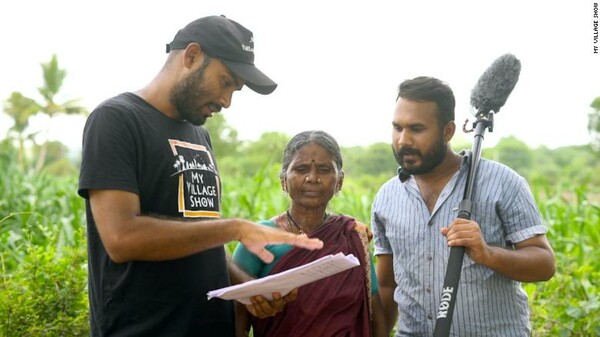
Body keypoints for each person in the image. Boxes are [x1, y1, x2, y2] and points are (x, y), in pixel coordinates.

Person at [77, 15, 323, 337]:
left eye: (235, 90)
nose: (227, 101)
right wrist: (233, 228)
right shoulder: (116, 120)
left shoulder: (199, 135)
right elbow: (121, 237)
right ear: (191, 56)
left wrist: (249, 288)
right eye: (225, 82)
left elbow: (201, 236)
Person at [372, 76, 556, 336]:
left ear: (448, 131)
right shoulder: (386, 198)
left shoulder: (502, 182)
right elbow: (388, 285)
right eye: (397, 128)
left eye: (417, 129)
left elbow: (544, 263)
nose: (403, 140)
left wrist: (488, 254)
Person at [232, 130, 387, 337]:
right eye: (301, 168)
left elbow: (377, 320)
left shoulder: (352, 237)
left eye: (324, 169)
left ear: (339, 181)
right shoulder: (258, 237)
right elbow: (235, 323)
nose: (312, 178)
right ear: (283, 180)